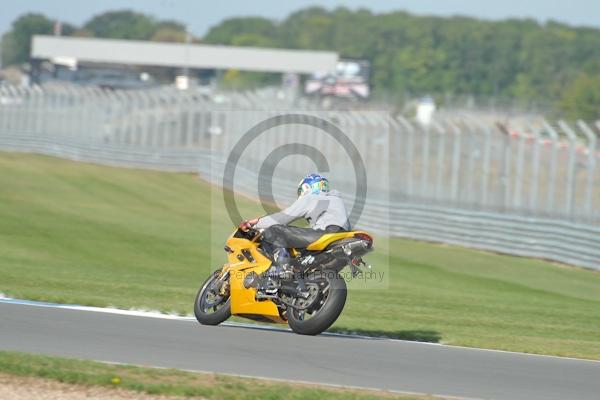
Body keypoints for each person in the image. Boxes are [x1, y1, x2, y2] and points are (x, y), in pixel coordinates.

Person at [239, 173, 350, 288]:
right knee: (302, 259)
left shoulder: (312, 197)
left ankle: (282, 268)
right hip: (340, 241)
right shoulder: (337, 200)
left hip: (325, 234)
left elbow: (284, 217)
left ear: (307, 187)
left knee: (275, 230)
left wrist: (256, 223)